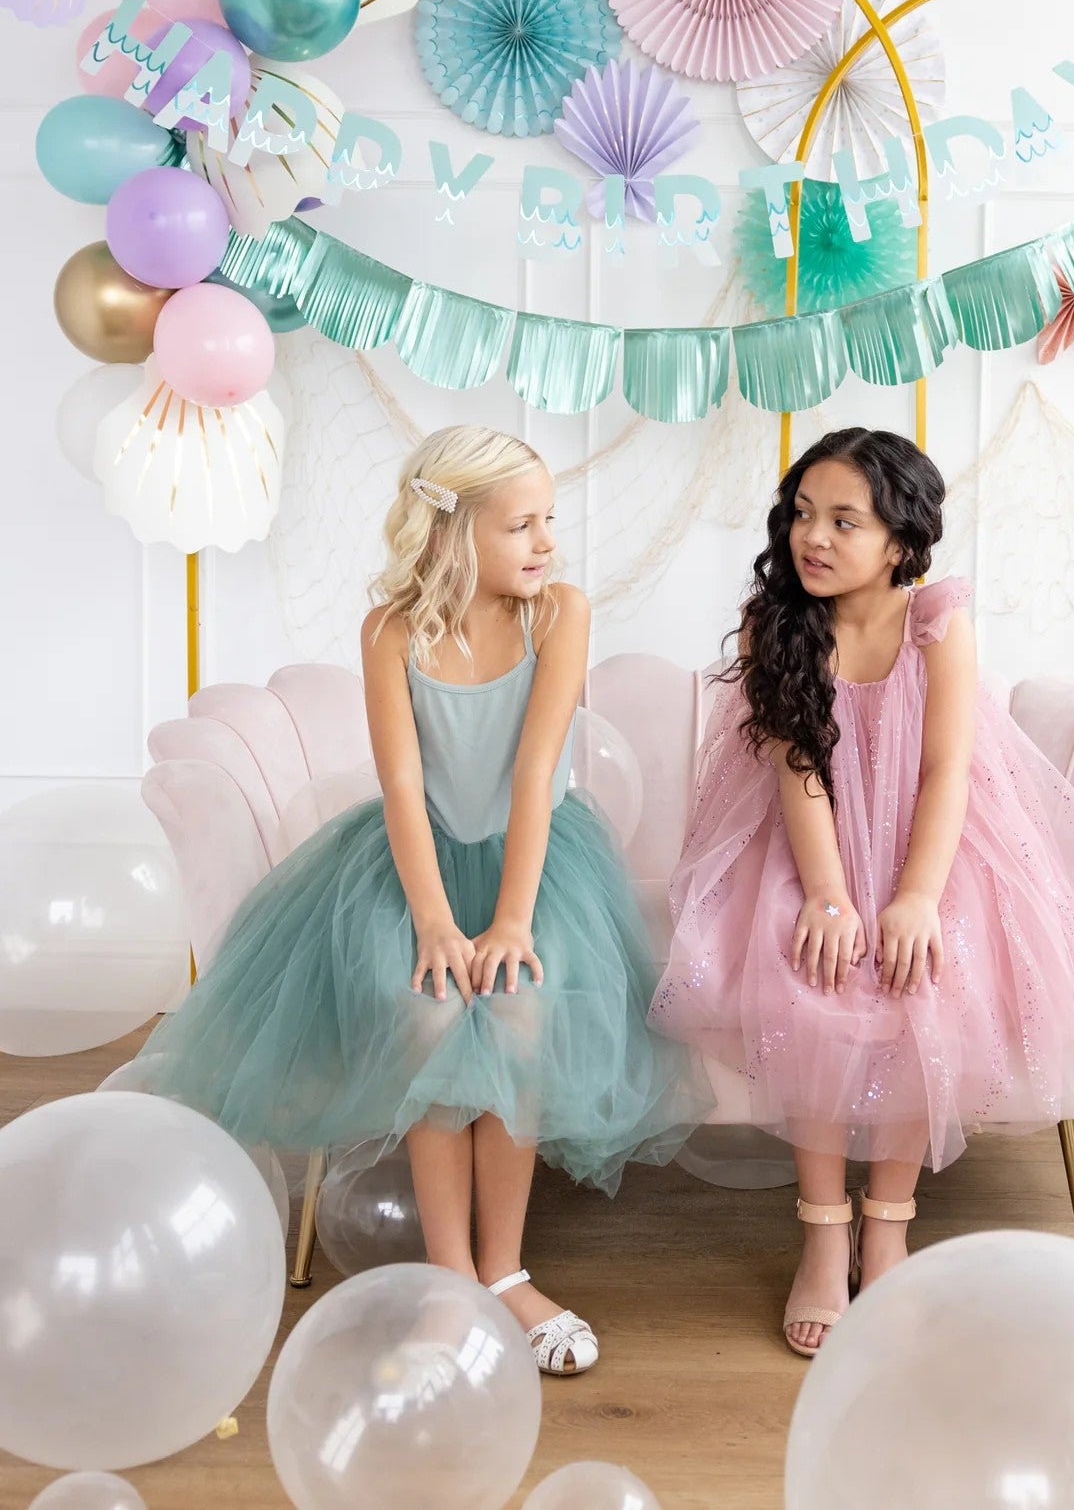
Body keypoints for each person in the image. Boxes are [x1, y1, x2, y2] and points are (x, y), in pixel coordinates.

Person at [140, 425, 709, 1375]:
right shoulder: (392, 631)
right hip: (415, 866)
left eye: (548, 521)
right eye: (522, 525)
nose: (547, 543)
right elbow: (403, 785)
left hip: (537, 867)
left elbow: (535, 778)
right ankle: (449, 1280)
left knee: (521, 1012)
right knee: (432, 1014)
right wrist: (437, 919)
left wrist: (513, 919)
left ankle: (504, 1269)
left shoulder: (556, 616)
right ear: (453, 535)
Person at [651, 427, 1074, 1357]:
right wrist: (829, 893)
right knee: (805, 984)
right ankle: (822, 1233)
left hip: (933, 850)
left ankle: (887, 1225)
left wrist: (918, 895)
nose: (815, 537)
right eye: (804, 514)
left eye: (846, 520)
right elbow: (797, 766)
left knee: (929, 982)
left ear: (901, 541)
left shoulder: (938, 623)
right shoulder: (781, 622)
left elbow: (947, 772)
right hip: (814, 852)